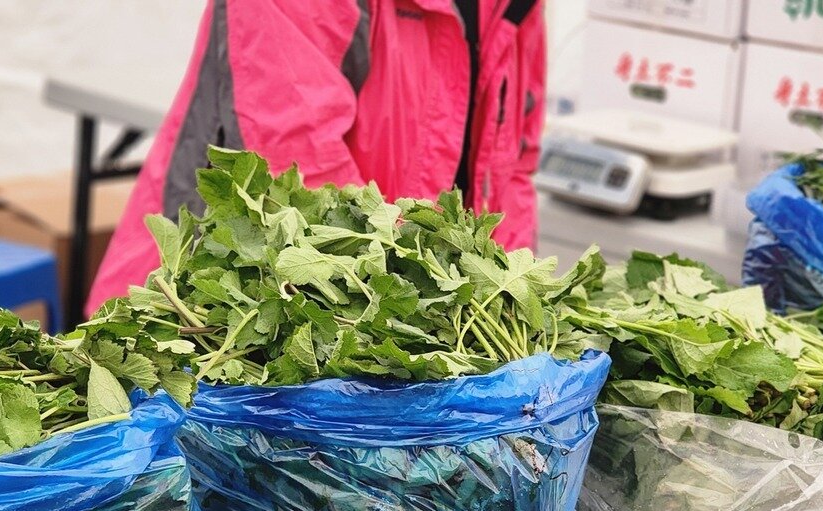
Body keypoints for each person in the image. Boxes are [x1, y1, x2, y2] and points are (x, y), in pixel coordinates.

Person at [85, 0, 546, 316]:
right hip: (210, 318)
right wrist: (421, 313)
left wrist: (511, 304)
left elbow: (510, 169)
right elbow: (297, 168)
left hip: (392, 325)